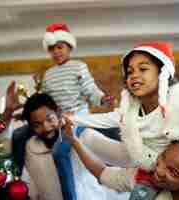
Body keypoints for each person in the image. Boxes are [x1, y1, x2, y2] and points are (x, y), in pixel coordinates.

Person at [66, 42, 179, 172]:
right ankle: (87, 138)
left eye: (143, 69)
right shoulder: (129, 112)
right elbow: (106, 119)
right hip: (149, 162)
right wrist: (72, 118)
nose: (134, 75)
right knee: (123, 155)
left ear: (163, 74)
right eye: (129, 72)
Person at [63, 113, 179, 200]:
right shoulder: (141, 177)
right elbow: (102, 172)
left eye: (173, 172)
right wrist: (75, 140)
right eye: (162, 159)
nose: (158, 171)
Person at [40, 23, 120, 200]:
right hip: (58, 121)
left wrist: (103, 99)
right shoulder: (48, 74)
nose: (57, 52)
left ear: (69, 47)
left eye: (60, 47)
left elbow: (90, 90)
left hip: (79, 118)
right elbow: (46, 101)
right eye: (52, 49)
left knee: (60, 154)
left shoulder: (78, 66)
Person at [11, 93, 63, 200]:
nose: (46, 128)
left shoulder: (77, 137)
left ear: (58, 112)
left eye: (49, 119)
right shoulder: (29, 147)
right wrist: (7, 112)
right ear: (30, 127)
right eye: (37, 125)